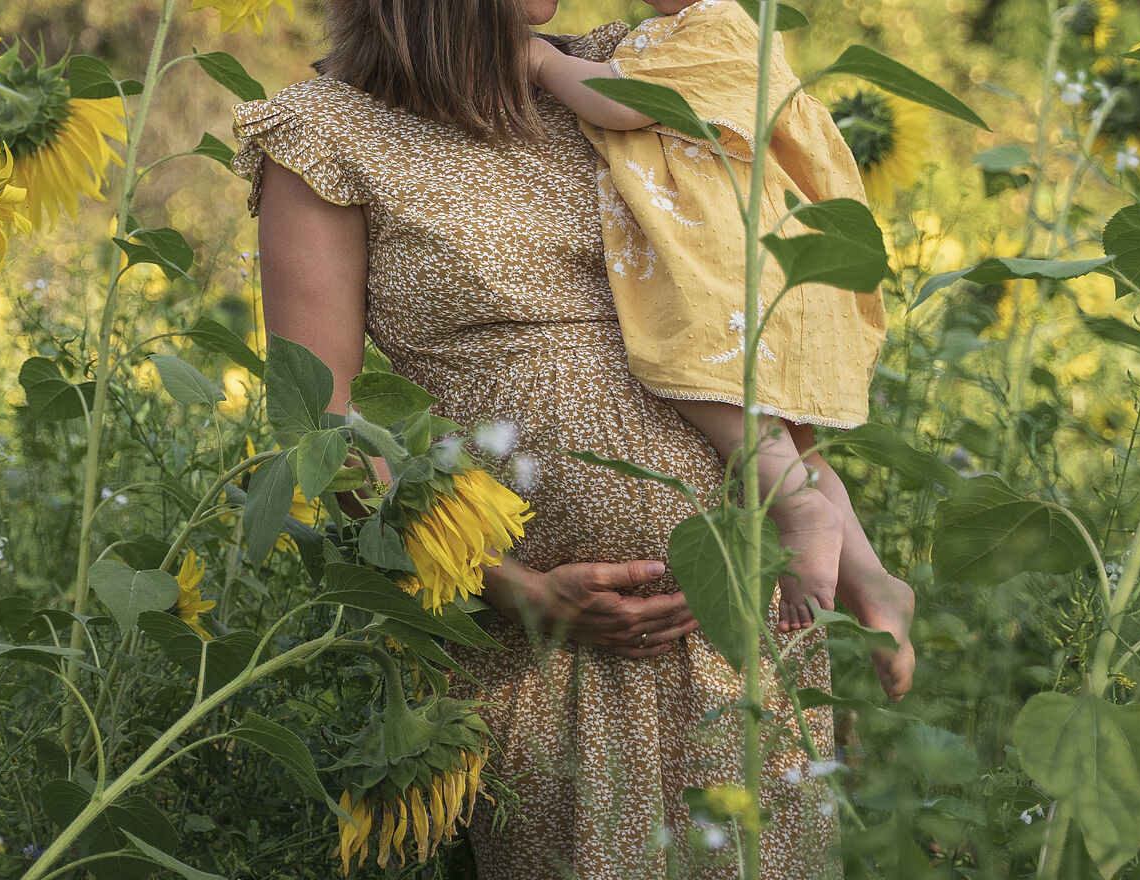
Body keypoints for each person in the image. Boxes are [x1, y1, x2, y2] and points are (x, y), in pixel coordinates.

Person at [234, 0, 914, 874]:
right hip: (546, 660)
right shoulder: (326, 135)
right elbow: (318, 433)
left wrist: (829, 525)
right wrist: (516, 592)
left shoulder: (609, 78)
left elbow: (726, 317)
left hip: (745, 623)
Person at [524, 0, 898, 635]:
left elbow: (623, 104)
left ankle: (795, 506)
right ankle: (873, 579)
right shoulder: (684, 30)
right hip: (737, 247)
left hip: (725, 256)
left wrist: (538, 60)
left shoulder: (724, 27)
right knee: (789, 432)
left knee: (705, 369)